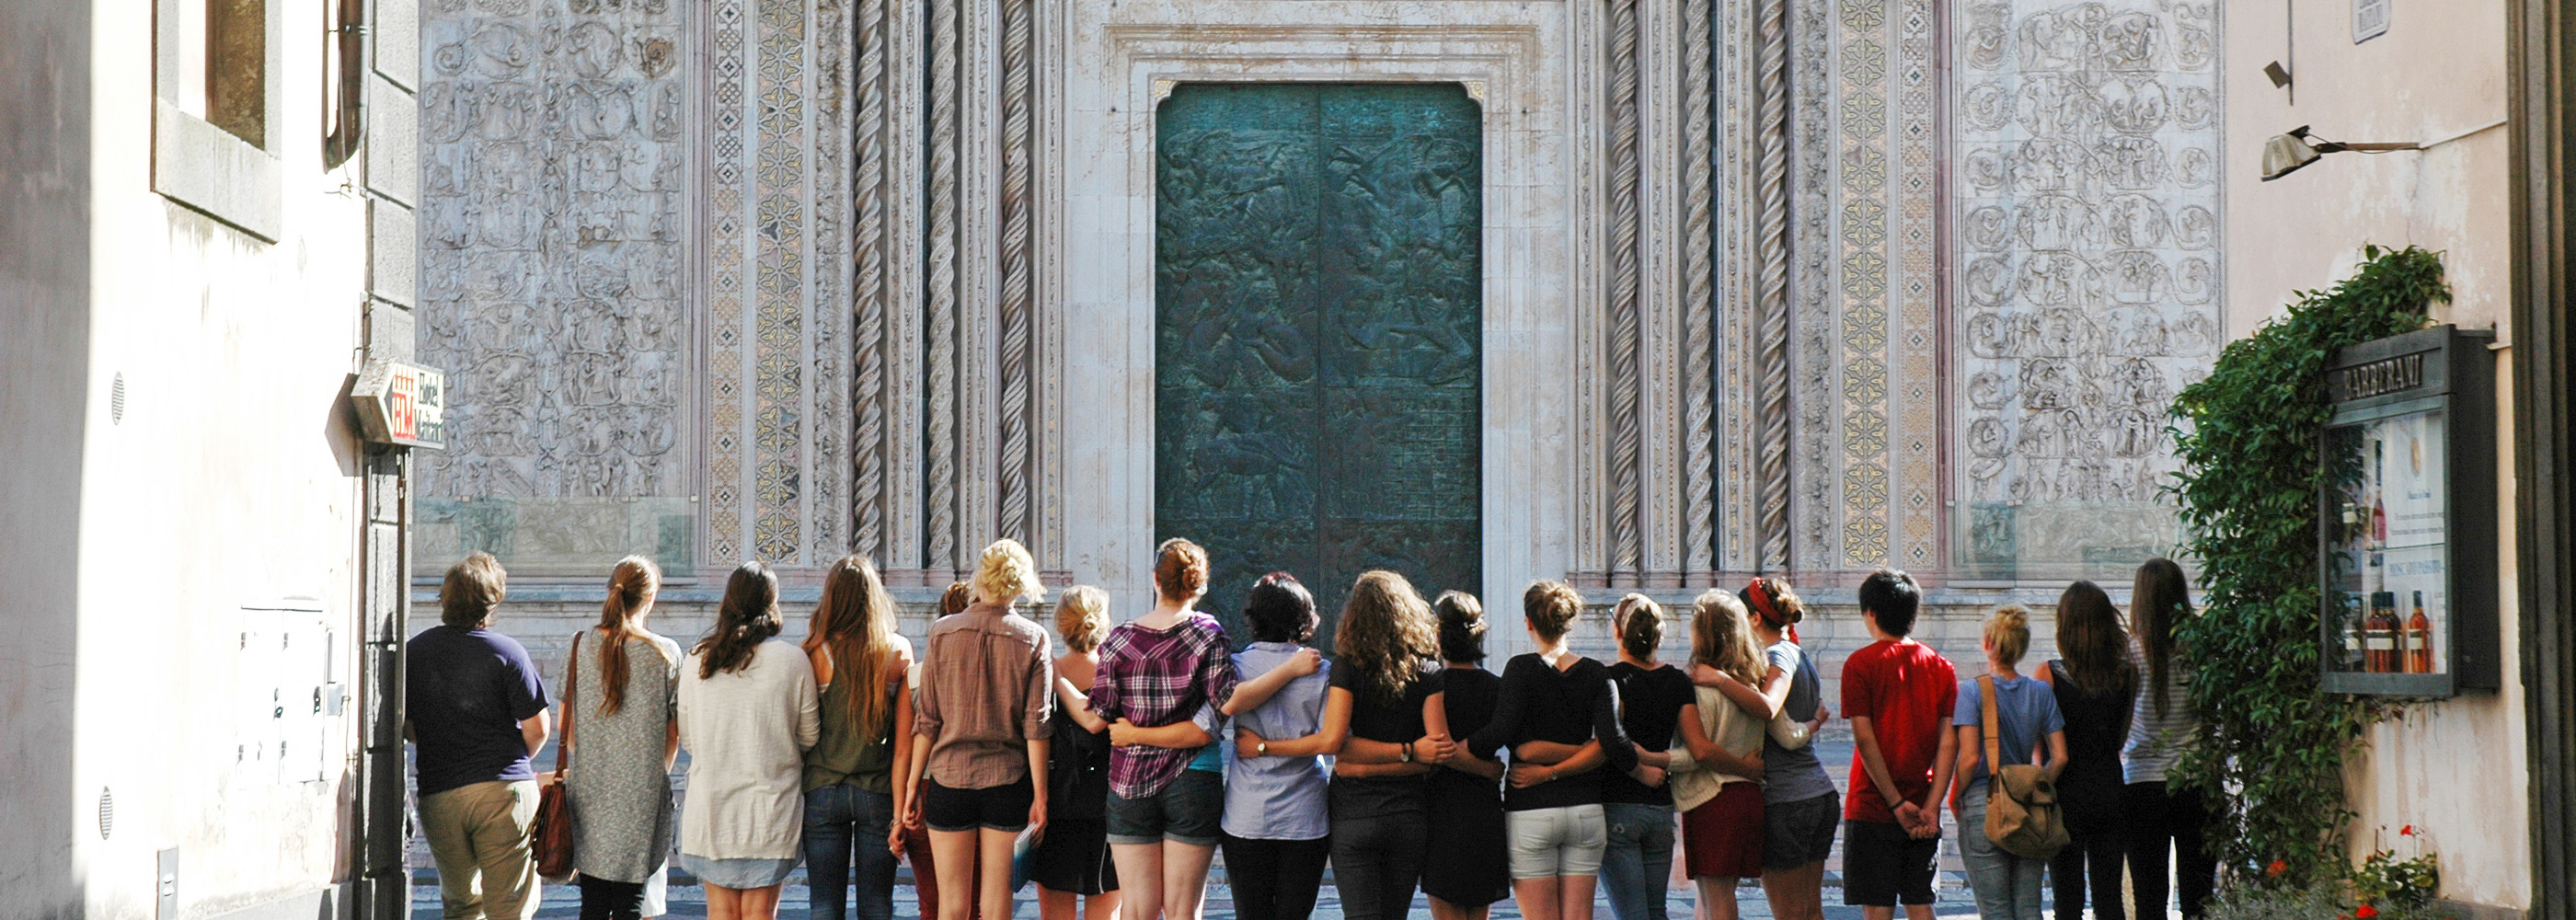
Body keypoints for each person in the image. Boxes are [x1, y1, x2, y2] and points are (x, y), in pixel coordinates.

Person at [1236, 570, 1452, 920]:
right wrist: (1412, 752)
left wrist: (1362, 765)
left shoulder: (1345, 669)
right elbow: (1435, 753)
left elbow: (1339, 747)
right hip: (1408, 814)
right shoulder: (1428, 671)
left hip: (1353, 814)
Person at [1465, 581, 1659, 920]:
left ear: (1528, 622)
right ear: (1570, 622)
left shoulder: (1520, 669)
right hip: (1585, 811)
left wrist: (1463, 748)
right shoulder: (1598, 673)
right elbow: (1612, 741)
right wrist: (1592, 752)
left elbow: (1503, 733)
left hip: (1532, 809)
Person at [906, 540, 1055, 920]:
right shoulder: (1034, 638)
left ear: (979, 579)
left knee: (951, 905)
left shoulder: (942, 633)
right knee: (996, 904)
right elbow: (1036, 725)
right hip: (1008, 781)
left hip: (949, 780)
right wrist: (1041, 795)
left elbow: (927, 720)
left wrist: (911, 786)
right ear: (1021, 585)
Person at [408, 551, 552, 920]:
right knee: (510, 907)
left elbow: (405, 725)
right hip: (504, 791)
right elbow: (538, 728)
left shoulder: (415, 653)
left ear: (445, 599)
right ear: (492, 602)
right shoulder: (507, 653)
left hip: (440, 792)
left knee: (461, 905)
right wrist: (510, 761)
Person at [675, 562, 821, 920]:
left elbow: (689, 737)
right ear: (773, 603)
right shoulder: (793, 660)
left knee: (720, 914)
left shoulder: (698, 659)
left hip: (712, 811)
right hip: (769, 810)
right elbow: (810, 735)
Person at [1688, 577, 1834, 920]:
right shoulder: (1798, 652)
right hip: (1816, 795)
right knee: (1810, 911)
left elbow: (1769, 708)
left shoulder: (1778, 656)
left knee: (1790, 914)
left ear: (1754, 618)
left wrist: (1720, 680)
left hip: (1787, 801)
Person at [560, 557, 683, 920]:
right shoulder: (664, 653)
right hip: (642, 795)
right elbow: (673, 733)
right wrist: (651, 769)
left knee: (592, 903)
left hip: (590, 790)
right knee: (632, 903)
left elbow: (567, 731)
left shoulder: (580, 645)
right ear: (650, 597)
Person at [801, 556, 917, 920]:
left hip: (822, 787)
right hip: (878, 791)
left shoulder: (813, 652)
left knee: (823, 905)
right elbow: (903, 748)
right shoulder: (897, 651)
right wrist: (900, 815)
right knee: (878, 905)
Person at [1215, 574, 1336, 920]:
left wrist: (1264, 747)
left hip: (1246, 814)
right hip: (1305, 816)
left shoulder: (1235, 666)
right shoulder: (1320, 670)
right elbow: (1329, 740)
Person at [1839, 569, 1958, 920]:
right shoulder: (1941, 666)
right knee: (1920, 904)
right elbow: (1948, 742)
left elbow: (1864, 736)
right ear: (1914, 615)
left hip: (1872, 803)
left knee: (1877, 909)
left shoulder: (1860, 665)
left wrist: (1894, 802)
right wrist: (1933, 805)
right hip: (1923, 805)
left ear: (1870, 613)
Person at [1951, 605, 2067, 920]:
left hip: (1983, 800)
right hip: (2030, 807)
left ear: (1988, 641)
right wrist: (2037, 787)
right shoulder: (2041, 692)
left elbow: (1970, 757)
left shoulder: (1972, 691)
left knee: (1995, 910)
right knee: (2029, 907)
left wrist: (1953, 795)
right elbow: (2060, 756)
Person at [1665, 590, 1771, 920]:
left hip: (1712, 799)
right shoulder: (1751, 687)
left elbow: (1698, 752)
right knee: (1718, 898)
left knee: (1718, 899)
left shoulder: (1697, 690)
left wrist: (1652, 759)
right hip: (1747, 797)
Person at [2036, 581, 2136, 920]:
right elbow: (2121, 736)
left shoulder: (2048, 674)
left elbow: (2042, 746)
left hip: (2065, 794)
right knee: (2110, 899)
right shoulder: (2126, 674)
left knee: (2067, 900)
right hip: (2110, 787)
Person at [2124, 558, 2214, 920]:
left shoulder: (2129, 652)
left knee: (2149, 899)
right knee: (2200, 897)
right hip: (2197, 779)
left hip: (2142, 782)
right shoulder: (2203, 648)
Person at [1600, 594, 1696, 920]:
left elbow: (1610, 739)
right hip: (1659, 807)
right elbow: (1695, 746)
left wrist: (1640, 765)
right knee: (1656, 912)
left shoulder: (1611, 680)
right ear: (1658, 635)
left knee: (1633, 915)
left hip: (1619, 806)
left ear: (1617, 633)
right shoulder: (1678, 680)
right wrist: (1659, 759)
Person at [1029, 585, 1121, 920]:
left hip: (1057, 805)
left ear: (1061, 625)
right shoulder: (1116, 673)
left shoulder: (1045, 673)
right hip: (1109, 808)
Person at [1420, 591, 1512, 920]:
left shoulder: (1429, 685)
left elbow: (1439, 750)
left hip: (1441, 811)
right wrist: (1488, 770)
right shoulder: (1497, 687)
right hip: (1484, 811)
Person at [901, 582, 981, 920]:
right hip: (983, 784)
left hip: (928, 786)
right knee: (978, 902)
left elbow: (905, 745)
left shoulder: (916, 676)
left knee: (932, 902)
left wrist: (907, 796)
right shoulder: (990, 670)